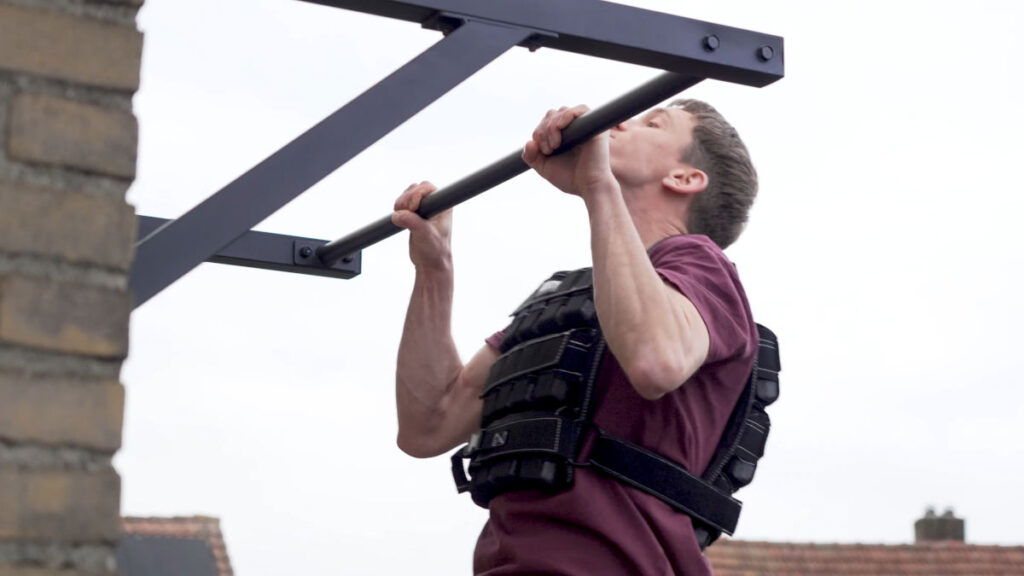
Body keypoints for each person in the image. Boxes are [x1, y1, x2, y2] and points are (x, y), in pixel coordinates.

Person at [391, 99, 760, 575]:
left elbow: (655, 360)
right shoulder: (570, 299)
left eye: (654, 122)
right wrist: (433, 269)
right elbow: (427, 425)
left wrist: (597, 183)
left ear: (684, 178)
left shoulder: (701, 267)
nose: (620, 119)